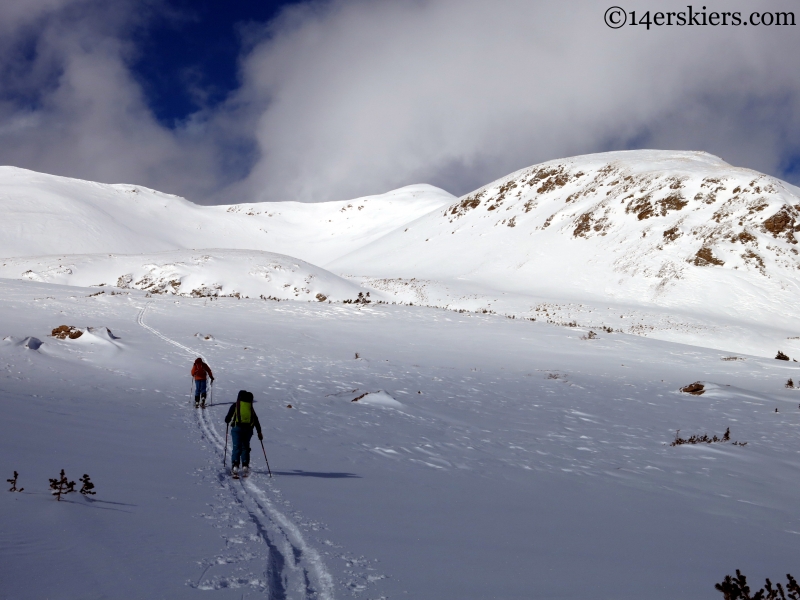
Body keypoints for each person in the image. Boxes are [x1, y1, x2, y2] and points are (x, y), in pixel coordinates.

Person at [224, 390, 263, 478]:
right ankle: (245, 465)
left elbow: (227, 418)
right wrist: (259, 432)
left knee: (236, 446)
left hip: (237, 428)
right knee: (245, 446)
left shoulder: (236, 405)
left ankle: (235, 466)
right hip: (249, 429)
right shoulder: (250, 407)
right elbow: (256, 420)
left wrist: (228, 420)